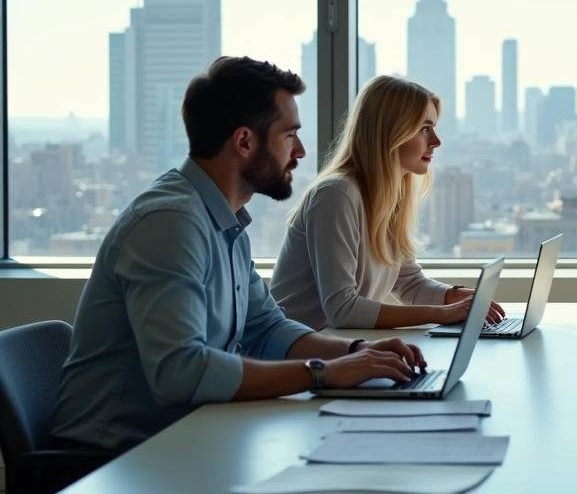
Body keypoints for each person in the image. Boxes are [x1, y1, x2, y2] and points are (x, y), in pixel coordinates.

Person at [51, 57, 427, 452]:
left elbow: (266, 328)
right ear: (245, 141)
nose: (300, 151)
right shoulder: (170, 224)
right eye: (289, 135)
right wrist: (324, 373)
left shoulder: (222, 220)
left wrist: (357, 352)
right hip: (110, 459)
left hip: (186, 436)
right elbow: (182, 373)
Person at [270, 75, 504, 330]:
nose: (436, 141)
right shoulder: (336, 195)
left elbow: (410, 283)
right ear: (391, 133)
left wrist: (457, 297)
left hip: (336, 349)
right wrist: (442, 313)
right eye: (424, 129)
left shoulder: (388, 196)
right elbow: (343, 310)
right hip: (292, 357)